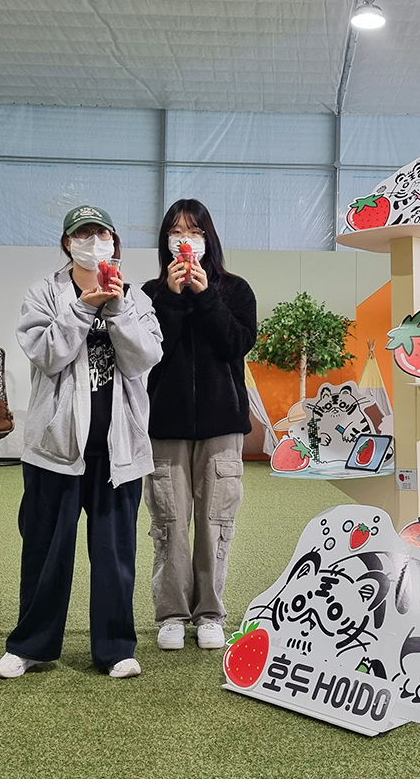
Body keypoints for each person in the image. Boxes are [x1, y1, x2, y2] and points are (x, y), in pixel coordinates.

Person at [0, 205, 163, 680]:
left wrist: (116, 308)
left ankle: (116, 648)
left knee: (115, 556)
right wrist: (84, 307)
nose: (93, 242)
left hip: (117, 451)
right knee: (44, 552)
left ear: (113, 241)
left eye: (101, 233)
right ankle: (29, 646)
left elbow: (144, 358)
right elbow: (47, 354)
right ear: (68, 243)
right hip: (55, 449)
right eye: (83, 234)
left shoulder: (135, 298)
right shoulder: (44, 294)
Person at [142, 199, 257, 651]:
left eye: (194, 231)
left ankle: (210, 612)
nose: (185, 240)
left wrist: (206, 296)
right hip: (164, 425)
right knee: (169, 522)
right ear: (165, 241)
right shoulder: (149, 294)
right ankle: (172, 614)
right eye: (176, 232)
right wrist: (171, 300)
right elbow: (147, 353)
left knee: (215, 521)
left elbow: (236, 344)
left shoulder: (236, 289)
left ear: (208, 239)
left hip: (221, 424)